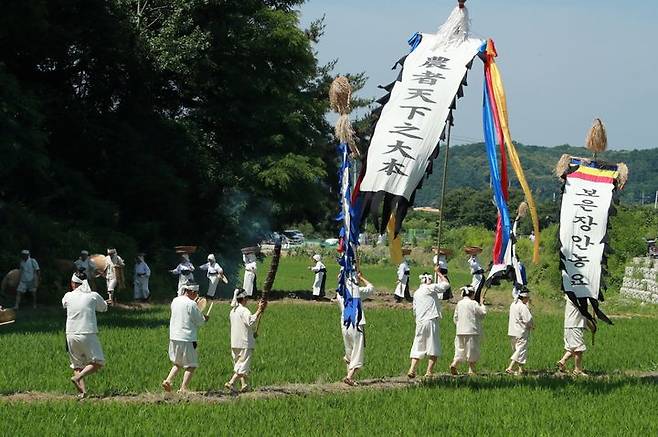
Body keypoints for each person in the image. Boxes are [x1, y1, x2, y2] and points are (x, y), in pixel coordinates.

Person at [62, 271, 110, 397]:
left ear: (73, 284)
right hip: (87, 332)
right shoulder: (93, 295)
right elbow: (103, 308)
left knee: (77, 364)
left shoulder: (67, 295)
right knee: (98, 362)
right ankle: (79, 377)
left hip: (70, 333)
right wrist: (105, 302)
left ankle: (83, 393)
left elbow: (65, 305)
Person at [162, 283, 208, 393]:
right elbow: (199, 321)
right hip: (187, 338)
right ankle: (183, 388)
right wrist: (205, 318)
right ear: (192, 292)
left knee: (177, 363)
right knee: (191, 365)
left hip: (174, 336)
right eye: (196, 293)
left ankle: (168, 380)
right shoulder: (192, 304)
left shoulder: (175, 300)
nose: (196, 295)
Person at [407, 271, 450, 378]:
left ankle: (412, 369)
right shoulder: (429, 288)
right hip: (430, 321)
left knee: (418, 345)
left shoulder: (416, 293)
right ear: (428, 280)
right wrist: (439, 273)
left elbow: (414, 310)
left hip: (420, 322)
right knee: (433, 346)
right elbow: (446, 285)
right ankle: (429, 371)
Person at [225, 288, 267, 393]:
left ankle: (244, 385)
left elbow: (242, 326)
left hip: (235, 342)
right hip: (244, 342)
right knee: (242, 366)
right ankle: (231, 382)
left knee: (238, 364)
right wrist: (258, 310)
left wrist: (252, 334)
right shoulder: (244, 310)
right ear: (244, 298)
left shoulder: (233, 311)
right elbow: (251, 322)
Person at [336, 272, 374, 386]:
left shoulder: (339, 294)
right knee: (357, 350)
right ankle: (349, 376)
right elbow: (371, 288)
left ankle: (348, 375)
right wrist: (361, 278)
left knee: (349, 350)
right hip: (356, 323)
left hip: (345, 324)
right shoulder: (356, 291)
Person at [450, 285, 487, 375]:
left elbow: (455, 317)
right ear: (472, 294)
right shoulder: (473, 303)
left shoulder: (459, 303)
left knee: (460, 349)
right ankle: (471, 369)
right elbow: (482, 314)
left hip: (460, 330)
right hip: (472, 330)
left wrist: (459, 325)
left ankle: (455, 363)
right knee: (472, 350)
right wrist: (482, 304)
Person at [557, 295, 589, 376]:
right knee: (579, 350)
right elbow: (584, 310)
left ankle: (562, 361)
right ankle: (577, 370)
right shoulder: (577, 296)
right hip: (574, 325)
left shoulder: (572, 295)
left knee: (573, 347)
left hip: (571, 325)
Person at [506, 287, 534, 375]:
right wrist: (531, 326)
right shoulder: (523, 307)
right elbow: (528, 319)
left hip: (512, 331)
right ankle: (510, 367)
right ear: (525, 298)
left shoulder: (513, 304)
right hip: (521, 331)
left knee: (517, 350)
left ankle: (521, 369)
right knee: (520, 350)